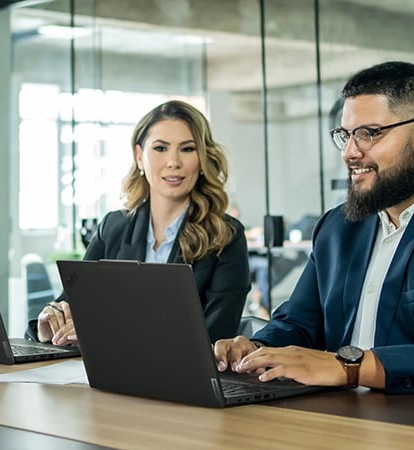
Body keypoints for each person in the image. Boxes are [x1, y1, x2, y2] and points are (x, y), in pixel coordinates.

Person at [214, 61, 414, 396]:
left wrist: (351, 367)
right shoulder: (337, 227)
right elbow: (298, 325)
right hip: (339, 420)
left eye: (368, 133)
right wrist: (255, 349)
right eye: (345, 135)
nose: (349, 152)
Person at [26, 100, 251, 344]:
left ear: (203, 158)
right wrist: (48, 328)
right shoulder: (112, 228)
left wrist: (107, 332)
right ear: (139, 156)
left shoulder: (225, 236)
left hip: (181, 380)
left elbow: (215, 338)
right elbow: (72, 307)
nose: (173, 162)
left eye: (187, 149)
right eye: (160, 149)